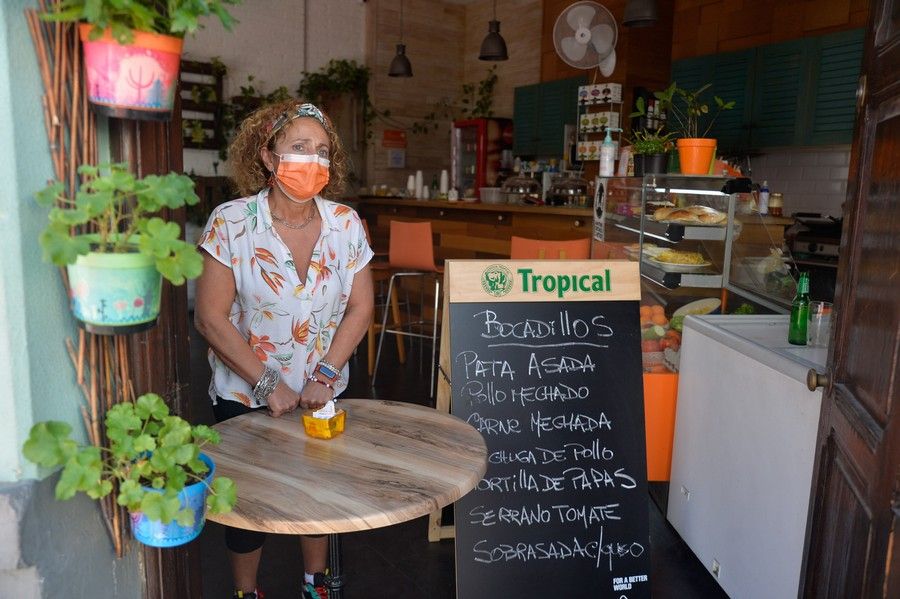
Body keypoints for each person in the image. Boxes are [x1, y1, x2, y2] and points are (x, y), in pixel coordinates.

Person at [195, 100, 374, 599]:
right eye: (299, 148)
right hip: (246, 392)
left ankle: (315, 586)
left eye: (322, 151)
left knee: (317, 493)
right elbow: (210, 317)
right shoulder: (231, 223)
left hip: (321, 394)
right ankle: (247, 592)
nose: (312, 161)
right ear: (269, 157)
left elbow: (360, 308)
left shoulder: (345, 224)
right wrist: (268, 384)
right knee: (248, 506)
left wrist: (323, 375)